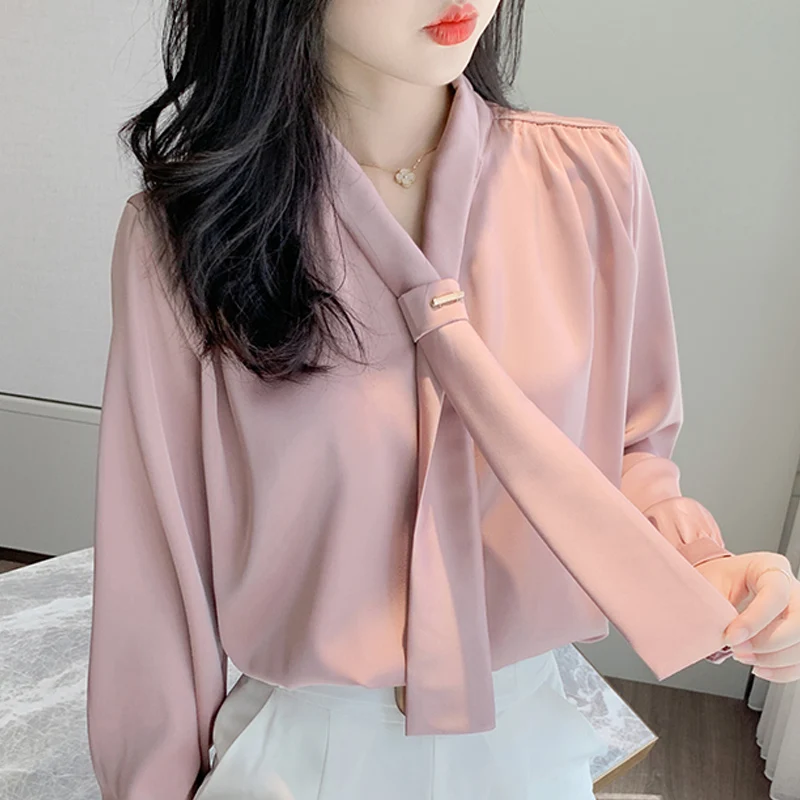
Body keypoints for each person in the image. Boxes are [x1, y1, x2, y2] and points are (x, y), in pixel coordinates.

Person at [85, 1, 800, 798]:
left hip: (525, 741)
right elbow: (154, 571)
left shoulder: (590, 177)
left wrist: (705, 571)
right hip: (303, 754)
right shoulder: (186, 235)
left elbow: (625, 454)